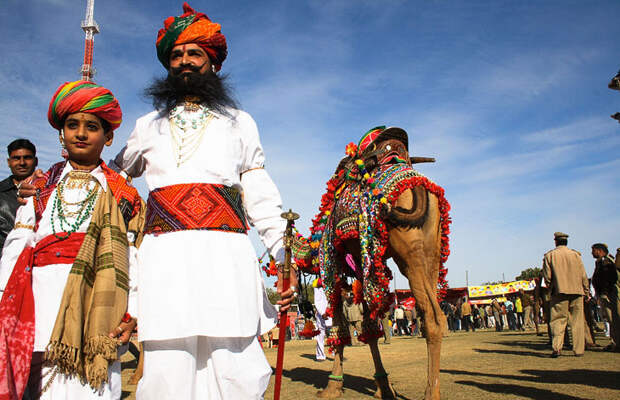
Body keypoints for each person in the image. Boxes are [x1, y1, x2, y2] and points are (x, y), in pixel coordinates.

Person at [0, 81, 143, 399]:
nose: (80, 133)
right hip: (40, 306)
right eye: (72, 125)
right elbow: (18, 246)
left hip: (98, 310)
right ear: (61, 134)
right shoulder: (40, 186)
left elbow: (131, 258)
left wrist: (131, 313)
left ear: (108, 137)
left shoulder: (123, 194)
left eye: (91, 127)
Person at [542, 232, 589, 357]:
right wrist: (586, 291)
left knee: (558, 320)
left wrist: (550, 287)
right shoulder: (576, 255)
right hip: (577, 291)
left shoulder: (550, 255)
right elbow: (583, 275)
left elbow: (547, 277)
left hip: (559, 291)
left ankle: (557, 348)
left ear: (556, 241)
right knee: (577, 322)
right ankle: (579, 350)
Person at [0, 139, 38, 252]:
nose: (22, 163)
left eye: (27, 157)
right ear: (8, 162)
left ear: (35, 161)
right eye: (16, 158)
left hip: (38, 261)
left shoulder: (48, 191)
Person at [591, 243, 619, 351]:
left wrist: (606, 292)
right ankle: (614, 342)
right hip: (604, 293)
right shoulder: (601, 262)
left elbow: (611, 277)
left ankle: (617, 343)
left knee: (613, 319)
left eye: (593, 250)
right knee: (610, 319)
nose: (592, 253)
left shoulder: (606, 262)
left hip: (608, 294)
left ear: (600, 251)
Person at [313, 278, 332, 361]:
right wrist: (322, 312)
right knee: (321, 335)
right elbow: (317, 301)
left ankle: (336, 353)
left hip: (331, 312)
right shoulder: (318, 287)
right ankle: (320, 355)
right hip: (322, 314)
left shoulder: (331, 285)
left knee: (334, 333)